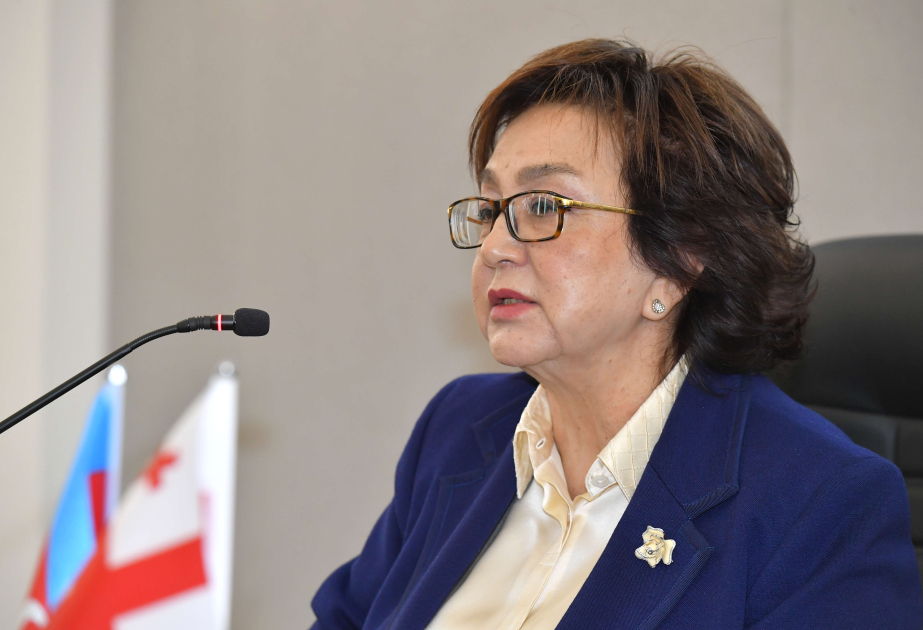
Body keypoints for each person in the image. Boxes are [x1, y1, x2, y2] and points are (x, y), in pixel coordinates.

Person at [310, 39, 922, 629]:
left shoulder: (820, 506)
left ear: (680, 259)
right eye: (493, 208)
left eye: (544, 207)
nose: (494, 247)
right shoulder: (458, 431)